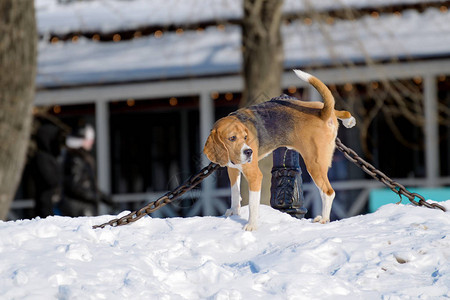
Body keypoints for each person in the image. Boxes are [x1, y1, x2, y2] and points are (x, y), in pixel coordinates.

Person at [59, 123, 114, 217]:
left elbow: (87, 185)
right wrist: (96, 197)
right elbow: (75, 186)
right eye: (89, 139)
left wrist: (103, 198)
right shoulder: (75, 159)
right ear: (81, 140)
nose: (92, 142)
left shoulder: (81, 158)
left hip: (83, 208)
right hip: (78, 210)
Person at [29, 117, 66, 217]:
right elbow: (51, 180)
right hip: (46, 205)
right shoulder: (41, 157)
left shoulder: (51, 157)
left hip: (53, 204)